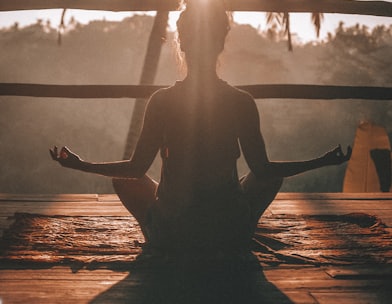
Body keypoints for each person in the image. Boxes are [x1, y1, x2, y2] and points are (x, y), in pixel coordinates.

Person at [50, 0, 351, 257]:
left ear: (181, 42)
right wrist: (322, 161)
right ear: (221, 42)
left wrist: (80, 165)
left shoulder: (162, 101)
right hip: (227, 232)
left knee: (124, 181)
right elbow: (263, 169)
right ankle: (241, 231)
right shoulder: (240, 101)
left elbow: (135, 167)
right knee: (267, 178)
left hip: (175, 232)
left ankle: (158, 238)